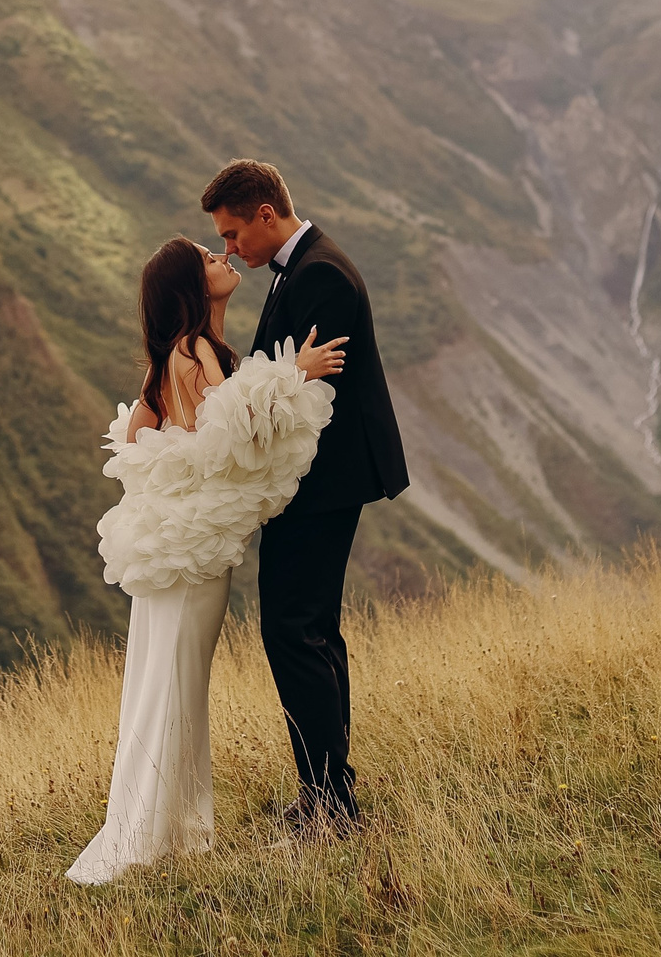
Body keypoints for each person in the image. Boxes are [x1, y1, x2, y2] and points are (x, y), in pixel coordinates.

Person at [66, 236, 346, 885]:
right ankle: (148, 835)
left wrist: (178, 470)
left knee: (168, 679)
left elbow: (144, 429)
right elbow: (232, 432)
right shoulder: (192, 351)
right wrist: (294, 374)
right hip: (191, 560)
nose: (223, 258)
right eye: (209, 259)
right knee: (174, 681)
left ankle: (170, 827)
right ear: (194, 286)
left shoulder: (188, 352)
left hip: (184, 551)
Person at [201, 158, 407, 834]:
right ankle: (331, 788)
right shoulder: (306, 263)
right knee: (313, 631)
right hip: (319, 481)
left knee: (291, 631)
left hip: (321, 482)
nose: (231, 249)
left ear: (266, 213)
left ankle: (329, 803)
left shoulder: (319, 273)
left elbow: (303, 399)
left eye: (233, 234)